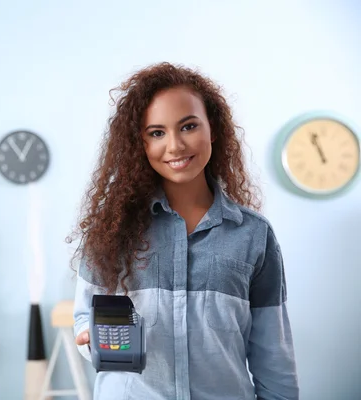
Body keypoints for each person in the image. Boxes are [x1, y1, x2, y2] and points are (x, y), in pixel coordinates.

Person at [68, 62, 299, 399]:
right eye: (156, 133)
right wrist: (95, 340)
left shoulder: (254, 235)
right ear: (140, 144)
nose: (174, 146)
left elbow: (273, 355)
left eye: (188, 126)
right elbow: (83, 320)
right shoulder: (111, 228)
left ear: (213, 129)